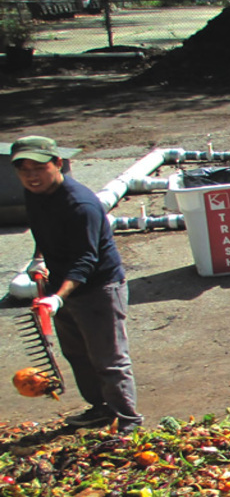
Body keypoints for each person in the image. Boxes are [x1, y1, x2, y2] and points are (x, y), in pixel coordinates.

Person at [11, 135, 142, 431]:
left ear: (58, 163)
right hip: (61, 286)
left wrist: (58, 297)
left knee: (109, 359)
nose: (31, 175)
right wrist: (39, 259)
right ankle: (101, 408)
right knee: (78, 354)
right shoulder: (36, 193)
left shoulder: (80, 205)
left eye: (39, 167)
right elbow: (42, 231)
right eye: (24, 169)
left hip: (99, 288)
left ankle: (128, 421)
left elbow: (86, 259)